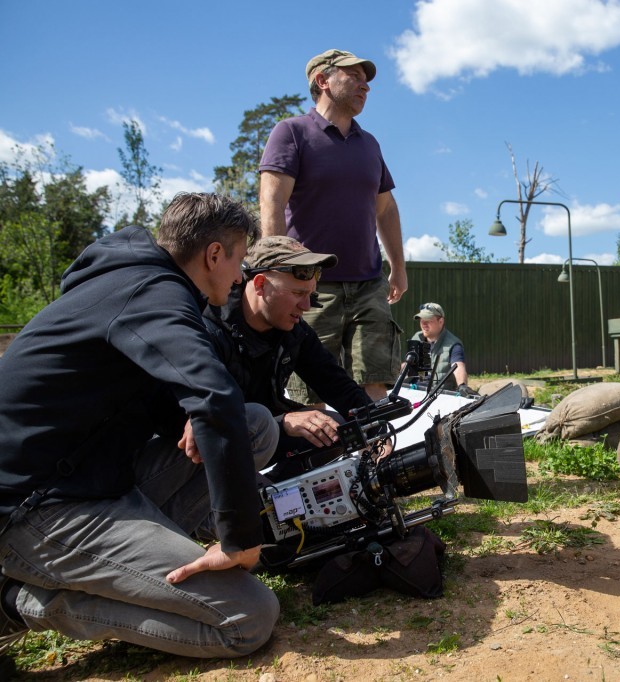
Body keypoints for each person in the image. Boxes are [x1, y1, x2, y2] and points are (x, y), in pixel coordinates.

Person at [0, 193, 279, 661]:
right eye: (239, 262)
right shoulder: (151, 291)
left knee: (255, 425)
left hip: (90, 476)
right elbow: (214, 397)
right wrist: (241, 541)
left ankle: (134, 566)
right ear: (214, 254)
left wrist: (182, 416)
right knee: (249, 617)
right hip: (34, 507)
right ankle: (18, 601)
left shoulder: (136, 282)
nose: (239, 279)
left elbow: (145, 394)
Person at [259, 48, 406, 404]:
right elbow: (272, 202)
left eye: (366, 80)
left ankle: (379, 458)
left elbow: (385, 209)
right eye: (353, 76)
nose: (364, 86)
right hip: (310, 287)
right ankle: (319, 460)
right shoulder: (291, 133)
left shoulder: (369, 144)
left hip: (369, 284)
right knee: (311, 391)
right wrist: (280, 270)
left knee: (375, 381)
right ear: (322, 80)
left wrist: (399, 267)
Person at [200, 236, 374, 473]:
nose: (306, 306)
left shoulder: (295, 330)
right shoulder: (208, 328)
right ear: (260, 284)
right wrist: (282, 422)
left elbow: (336, 385)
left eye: (310, 294)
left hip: (266, 431)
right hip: (212, 446)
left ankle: (272, 501)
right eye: (297, 293)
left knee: (333, 429)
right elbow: (209, 418)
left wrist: (376, 423)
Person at [410, 303, 475, 396]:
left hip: (440, 397)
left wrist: (462, 385)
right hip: (414, 392)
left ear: (440, 321)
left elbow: (458, 366)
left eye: (428, 320)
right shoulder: (416, 338)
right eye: (421, 320)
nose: (423, 324)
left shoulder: (453, 344)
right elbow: (408, 365)